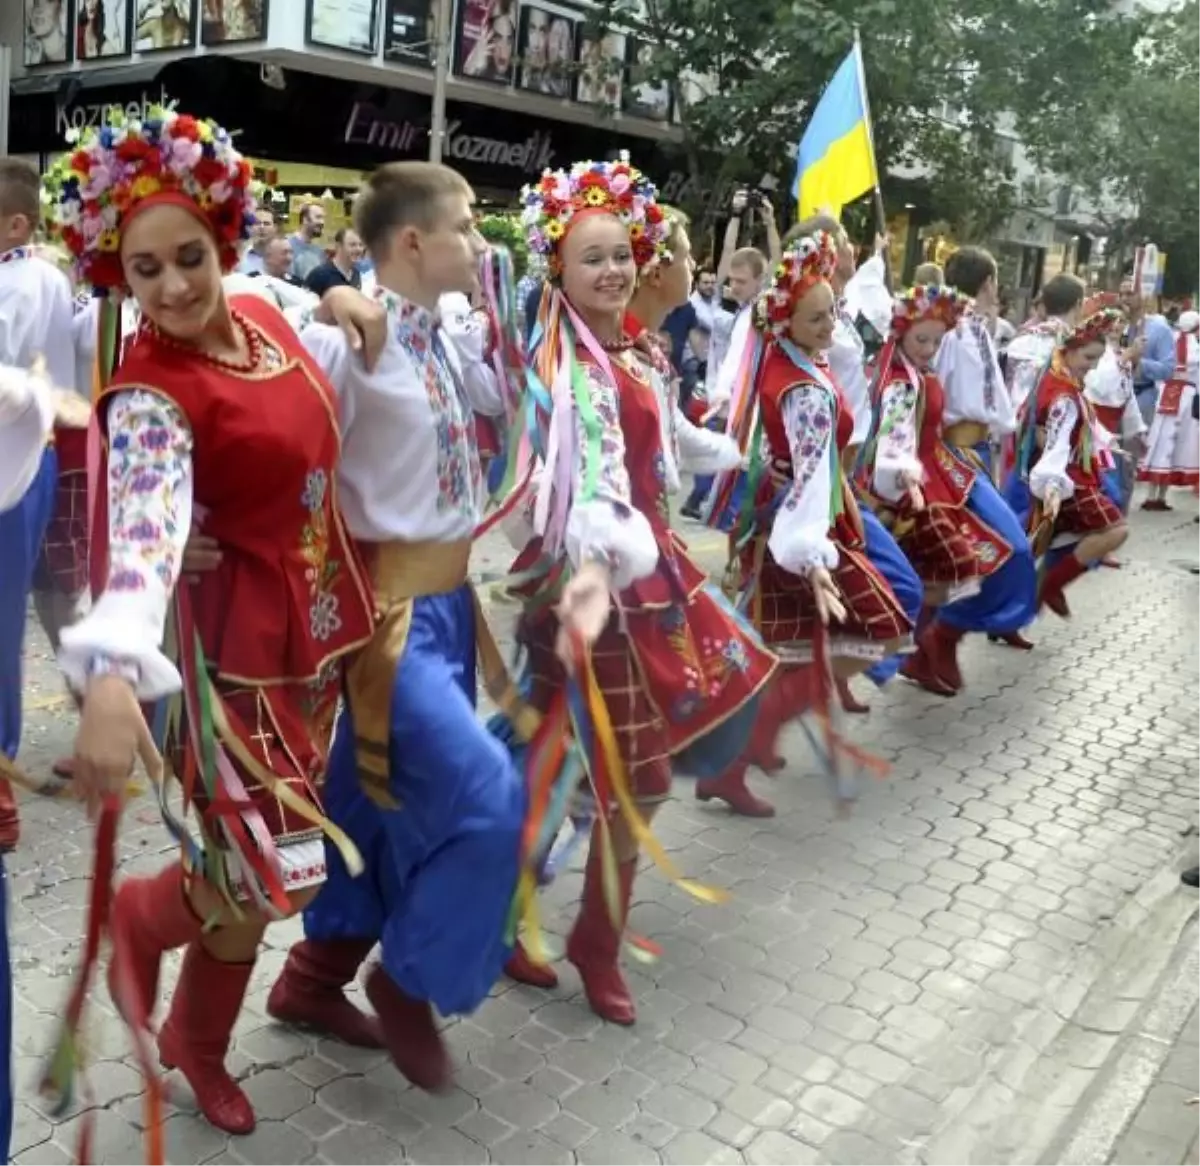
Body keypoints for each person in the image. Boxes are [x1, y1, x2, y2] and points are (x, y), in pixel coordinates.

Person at [48, 105, 385, 1139]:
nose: (174, 287)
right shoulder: (151, 391)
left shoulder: (267, 316)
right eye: (143, 271)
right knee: (256, 871)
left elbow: (281, 295)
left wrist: (335, 289)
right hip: (223, 660)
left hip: (311, 641)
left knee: (264, 871)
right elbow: (146, 526)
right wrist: (111, 673)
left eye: (188, 256)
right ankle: (145, 928)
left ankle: (197, 1029)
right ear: (118, 273)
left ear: (221, 239)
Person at [266, 162, 526, 1093]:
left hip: (454, 610)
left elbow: (515, 397)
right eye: (465, 227)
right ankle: (408, 981)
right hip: (394, 623)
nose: (479, 243)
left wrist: (497, 301)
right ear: (412, 242)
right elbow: (262, 377)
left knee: (372, 807)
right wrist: (324, 289)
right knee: (490, 793)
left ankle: (310, 980)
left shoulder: (447, 340)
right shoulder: (353, 342)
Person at [499, 155, 776, 1020]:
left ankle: (558, 926)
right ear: (558, 269)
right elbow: (584, 490)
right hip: (599, 593)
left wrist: (716, 447)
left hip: (646, 578)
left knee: (582, 769)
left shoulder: (633, 347)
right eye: (593, 258)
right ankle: (564, 931)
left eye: (623, 253)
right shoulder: (568, 364)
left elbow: (660, 437)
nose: (615, 270)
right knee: (622, 777)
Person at [700, 233, 911, 816]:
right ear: (786, 320)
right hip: (807, 523)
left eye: (833, 313)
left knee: (800, 650)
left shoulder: (789, 359)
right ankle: (736, 754)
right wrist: (813, 553)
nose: (829, 325)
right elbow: (813, 471)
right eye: (816, 317)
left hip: (808, 514)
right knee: (866, 635)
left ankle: (740, 754)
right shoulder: (803, 389)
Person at [858, 285, 1018, 698]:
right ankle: (898, 650)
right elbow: (891, 441)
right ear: (900, 334)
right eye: (921, 340)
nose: (930, 348)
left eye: (935, 340)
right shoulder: (898, 380)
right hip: (909, 484)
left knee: (950, 569)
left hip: (933, 473)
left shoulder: (914, 371)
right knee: (948, 567)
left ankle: (916, 648)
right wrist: (905, 477)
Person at [0, 157, 77, 849]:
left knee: (4, 618)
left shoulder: (25, 281)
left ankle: (1, 774)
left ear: (16, 222)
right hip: (30, 455)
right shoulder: (39, 275)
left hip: (15, 460)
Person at [918, 247, 1037, 679]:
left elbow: (996, 402)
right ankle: (943, 635)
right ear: (987, 282)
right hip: (950, 455)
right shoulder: (947, 331)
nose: (998, 287)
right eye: (996, 279)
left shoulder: (978, 330)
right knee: (1005, 549)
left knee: (964, 557)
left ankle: (925, 651)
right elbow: (932, 395)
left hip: (978, 453)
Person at [1015, 308, 1129, 613]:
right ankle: (1048, 586)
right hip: (1065, 479)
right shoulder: (1063, 393)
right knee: (1115, 530)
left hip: (1065, 476)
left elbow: (1065, 430)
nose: (1090, 368)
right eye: (1088, 359)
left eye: (1095, 360)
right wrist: (1053, 482)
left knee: (1045, 543)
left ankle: (1025, 604)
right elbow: (1054, 442)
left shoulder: (1058, 379)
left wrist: (1104, 442)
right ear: (1070, 350)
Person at [1138, 309, 1200, 508]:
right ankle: (1161, 497)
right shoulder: (1196, 348)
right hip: (1186, 397)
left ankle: (1152, 495)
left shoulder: (1169, 339)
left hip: (1165, 394)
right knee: (1175, 443)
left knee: (1159, 441)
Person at [1119, 276, 1175, 427]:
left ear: (1143, 295)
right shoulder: (1114, 325)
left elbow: (1168, 370)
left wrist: (1138, 362)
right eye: (1121, 294)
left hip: (1142, 399)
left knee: (1136, 448)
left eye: (1130, 294)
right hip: (1112, 399)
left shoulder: (1159, 329)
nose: (1124, 299)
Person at [305, 227, 365, 297]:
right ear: (338, 246)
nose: (358, 249)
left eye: (361, 245)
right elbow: (306, 304)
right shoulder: (319, 275)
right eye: (353, 245)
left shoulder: (356, 274)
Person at [288, 200, 328, 282]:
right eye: (318, 217)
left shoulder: (319, 251)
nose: (322, 222)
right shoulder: (287, 245)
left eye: (323, 218)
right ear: (305, 219)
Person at [237, 203, 275, 274]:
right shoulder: (240, 257)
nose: (262, 227)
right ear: (250, 227)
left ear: (275, 228)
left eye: (266, 223)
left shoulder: (283, 258)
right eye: (257, 223)